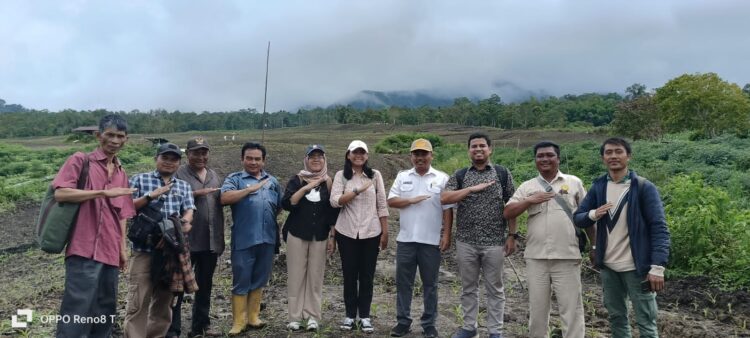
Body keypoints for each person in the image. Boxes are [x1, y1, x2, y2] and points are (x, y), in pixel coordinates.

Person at [574, 137, 670, 338]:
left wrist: (657, 267)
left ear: (628, 156)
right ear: (603, 158)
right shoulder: (599, 186)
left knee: (646, 322)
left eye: (618, 151)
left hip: (638, 268)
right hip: (608, 266)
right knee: (617, 318)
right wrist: (593, 214)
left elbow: (659, 228)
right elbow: (579, 218)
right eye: (608, 152)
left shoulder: (643, 187)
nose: (613, 156)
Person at [53, 115, 136, 338]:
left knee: (104, 310)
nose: (115, 140)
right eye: (110, 135)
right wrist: (102, 193)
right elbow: (61, 192)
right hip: (83, 248)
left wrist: (122, 249)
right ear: (99, 136)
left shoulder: (121, 172)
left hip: (110, 251)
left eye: (120, 136)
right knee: (78, 309)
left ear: (126, 139)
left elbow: (122, 215)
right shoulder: (81, 161)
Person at [504, 141, 593, 338]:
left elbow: (587, 218)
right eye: (540, 156)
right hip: (536, 257)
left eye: (549, 155)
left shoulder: (574, 182)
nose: (544, 159)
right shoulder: (528, 186)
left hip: (568, 255)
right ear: (535, 160)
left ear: (558, 159)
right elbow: (508, 211)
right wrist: (529, 200)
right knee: (537, 309)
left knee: (572, 308)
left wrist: (594, 246)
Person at [440, 132, 517, 338]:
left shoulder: (502, 173)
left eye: (482, 146)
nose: (478, 149)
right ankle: (469, 327)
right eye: (474, 146)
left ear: (490, 149)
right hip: (466, 241)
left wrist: (512, 235)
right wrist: (471, 189)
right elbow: (445, 197)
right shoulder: (461, 175)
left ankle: (495, 331)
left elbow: (512, 204)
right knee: (468, 288)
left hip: (494, 241)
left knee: (495, 289)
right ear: (469, 151)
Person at [124, 143, 196, 338]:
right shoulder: (140, 179)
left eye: (174, 159)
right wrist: (150, 196)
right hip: (143, 251)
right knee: (138, 301)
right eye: (165, 158)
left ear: (179, 163)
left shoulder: (183, 185)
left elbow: (189, 210)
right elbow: (127, 208)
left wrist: (185, 223)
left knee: (164, 304)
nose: (169, 162)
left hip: (170, 253)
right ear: (156, 158)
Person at [387, 139, 453, 338]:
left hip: (431, 241)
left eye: (424, 154)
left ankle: (429, 323)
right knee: (403, 283)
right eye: (416, 154)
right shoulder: (402, 176)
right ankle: (403, 321)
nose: (420, 158)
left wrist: (447, 234)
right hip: (406, 240)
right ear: (411, 157)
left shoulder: (442, 178)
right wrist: (410, 200)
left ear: (431, 156)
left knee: (430, 284)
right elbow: (391, 200)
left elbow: (448, 210)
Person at [221, 142, 282, 335]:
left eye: (257, 159)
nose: (253, 162)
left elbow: (279, 206)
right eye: (249, 158)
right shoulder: (235, 179)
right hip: (244, 238)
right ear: (242, 159)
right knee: (241, 279)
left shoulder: (272, 181)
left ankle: (254, 316)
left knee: (260, 278)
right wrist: (250, 189)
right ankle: (239, 321)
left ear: (263, 160)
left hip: (268, 238)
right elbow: (224, 198)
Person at [166, 137, 224, 338]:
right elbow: (170, 195)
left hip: (210, 240)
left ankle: (200, 326)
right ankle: (173, 329)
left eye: (204, 152)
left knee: (205, 285)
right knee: (177, 287)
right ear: (187, 154)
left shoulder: (214, 175)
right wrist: (197, 193)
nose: (200, 156)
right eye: (196, 152)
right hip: (186, 241)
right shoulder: (178, 174)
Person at [329, 140, 389, 333]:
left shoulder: (375, 175)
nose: (359, 156)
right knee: (349, 275)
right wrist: (357, 190)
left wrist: (385, 231)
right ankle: (349, 315)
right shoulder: (341, 176)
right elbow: (335, 201)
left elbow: (381, 204)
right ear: (348, 155)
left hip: (371, 232)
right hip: (346, 232)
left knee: (367, 276)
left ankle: (364, 316)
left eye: (362, 152)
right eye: (355, 152)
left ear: (367, 156)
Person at [281, 144, 339, 331]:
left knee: (315, 277)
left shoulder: (329, 182)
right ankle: (295, 317)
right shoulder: (297, 179)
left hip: (320, 236)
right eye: (312, 156)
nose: (316, 160)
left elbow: (332, 211)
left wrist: (332, 236)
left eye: (320, 156)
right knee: (296, 276)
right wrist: (309, 187)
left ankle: (313, 316)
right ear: (306, 159)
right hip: (297, 233)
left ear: (324, 159)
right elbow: (289, 203)